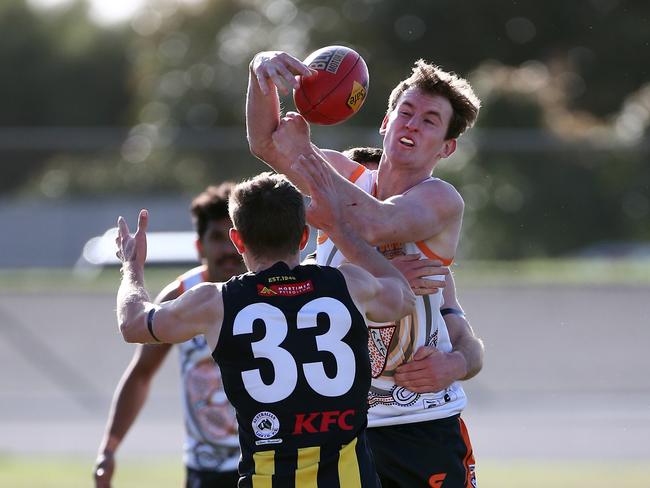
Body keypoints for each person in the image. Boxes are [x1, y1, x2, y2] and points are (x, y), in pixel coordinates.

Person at [247, 51, 484, 487]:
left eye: (430, 120)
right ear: (385, 122)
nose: (412, 124)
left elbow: (376, 224)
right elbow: (265, 142)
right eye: (405, 112)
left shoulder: (440, 199)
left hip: (420, 423)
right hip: (341, 426)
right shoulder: (343, 175)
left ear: (446, 147)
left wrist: (456, 363)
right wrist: (261, 74)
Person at [114, 169, 416, 487]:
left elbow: (132, 323)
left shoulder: (214, 302)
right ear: (302, 236)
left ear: (238, 239)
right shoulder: (350, 284)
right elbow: (405, 297)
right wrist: (338, 229)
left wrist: (131, 267)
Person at [94, 184, 244, 488]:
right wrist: (108, 449)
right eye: (216, 237)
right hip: (206, 467)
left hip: (261, 459)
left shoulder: (266, 291)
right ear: (199, 246)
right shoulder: (179, 295)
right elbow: (141, 374)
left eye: (232, 237)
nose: (227, 249)